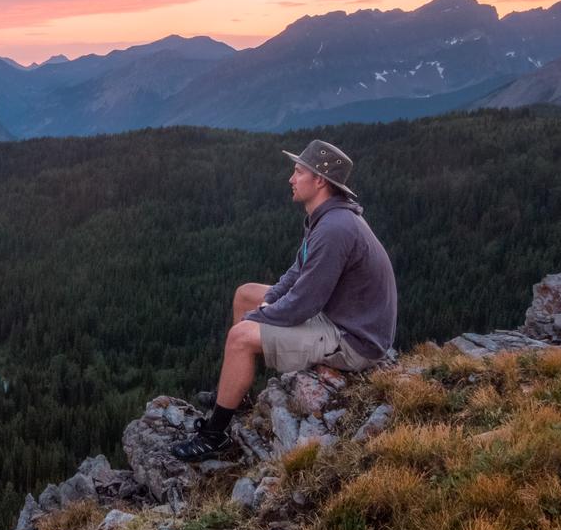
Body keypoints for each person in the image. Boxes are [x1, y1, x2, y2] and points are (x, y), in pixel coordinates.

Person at [169, 140, 398, 462]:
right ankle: (239, 393)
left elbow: (304, 302)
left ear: (319, 180)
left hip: (354, 340)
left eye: (298, 171)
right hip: (341, 317)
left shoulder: (335, 228)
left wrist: (262, 317)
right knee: (245, 293)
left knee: (240, 337)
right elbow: (296, 273)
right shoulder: (325, 218)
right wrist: (264, 305)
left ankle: (213, 435)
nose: (291, 179)